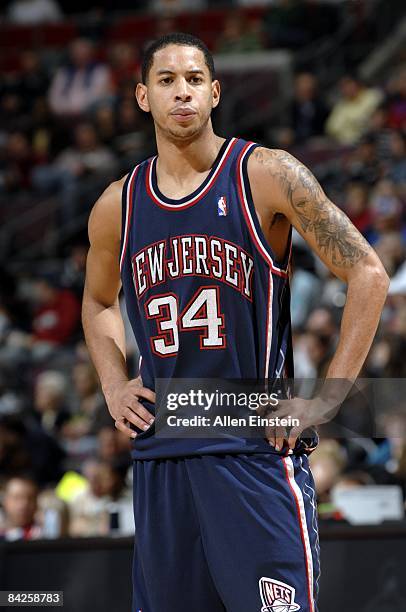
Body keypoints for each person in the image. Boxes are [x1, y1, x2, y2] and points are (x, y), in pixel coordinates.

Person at [82, 33, 389, 612]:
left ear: (215, 92)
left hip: (255, 446)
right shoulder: (117, 205)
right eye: (167, 81)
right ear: (143, 96)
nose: (183, 93)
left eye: (195, 80)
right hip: (163, 452)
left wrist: (327, 397)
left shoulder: (266, 174)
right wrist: (113, 382)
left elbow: (368, 274)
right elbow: (98, 302)